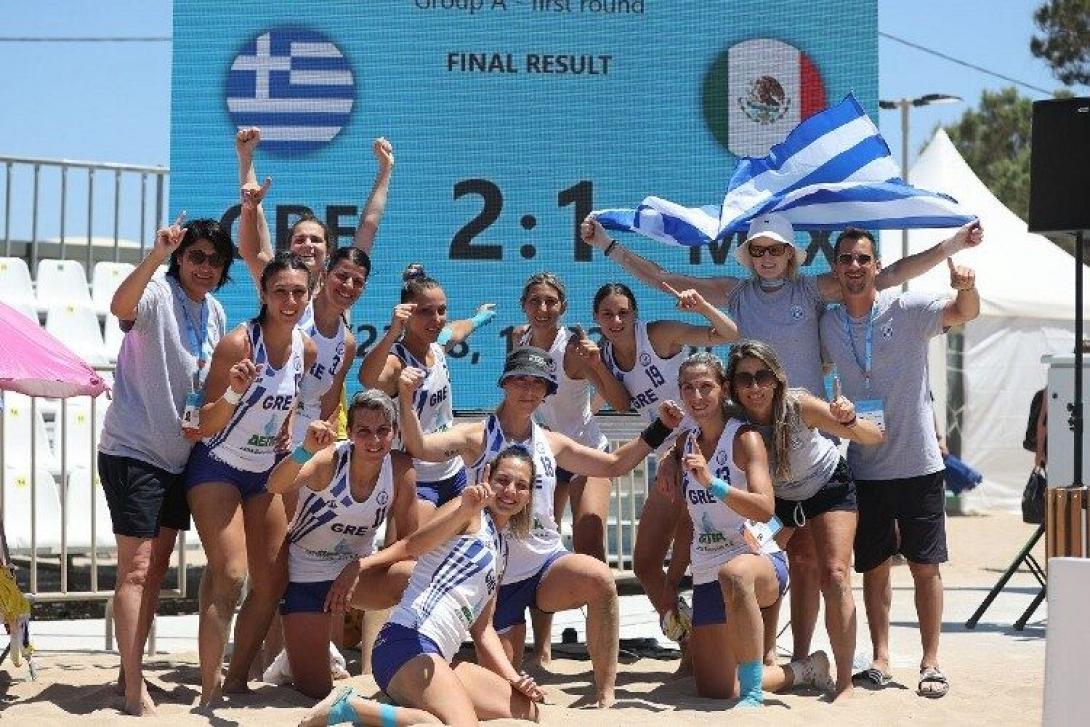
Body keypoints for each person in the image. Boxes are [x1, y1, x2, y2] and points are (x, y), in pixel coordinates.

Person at [582, 212, 982, 667]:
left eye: (775, 250)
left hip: (807, 445)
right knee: (757, 550)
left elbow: (889, 275)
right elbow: (664, 278)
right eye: (758, 250)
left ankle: (804, 653)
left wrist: (951, 246)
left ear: (790, 254)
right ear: (748, 256)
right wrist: (607, 246)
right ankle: (755, 649)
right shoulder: (735, 293)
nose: (767, 258)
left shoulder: (812, 290)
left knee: (816, 562)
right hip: (754, 449)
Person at [397, 346, 686, 708]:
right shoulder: (477, 437)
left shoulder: (551, 442)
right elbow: (419, 446)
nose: (528, 390)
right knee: (506, 697)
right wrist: (406, 400)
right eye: (520, 380)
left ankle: (605, 695)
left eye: (538, 383)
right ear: (504, 383)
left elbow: (613, 464)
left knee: (599, 578)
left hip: (544, 566)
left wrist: (660, 427)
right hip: (494, 582)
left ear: (548, 391)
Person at [819, 227, 980, 699]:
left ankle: (931, 662)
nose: (853, 266)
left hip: (919, 465)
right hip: (865, 468)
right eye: (845, 258)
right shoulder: (828, 323)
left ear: (876, 266)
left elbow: (964, 312)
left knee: (925, 568)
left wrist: (966, 287)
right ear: (835, 267)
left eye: (862, 259)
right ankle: (882, 658)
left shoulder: (907, 309)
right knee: (874, 567)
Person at [298, 446, 545, 727]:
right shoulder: (469, 512)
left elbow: (483, 629)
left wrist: (514, 679)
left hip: (438, 657)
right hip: (405, 644)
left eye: (521, 485)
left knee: (528, 711)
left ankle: (413, 707)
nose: (510, 490)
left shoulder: (501, 550)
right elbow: (411, 545)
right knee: (462, 725)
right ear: (487, 476)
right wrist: (360, 565)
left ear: (528, 498)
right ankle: (350, 708)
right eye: (503, 480)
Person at [97, 215, 232, 715]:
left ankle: (123, 674)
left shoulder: (215, 312)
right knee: (134, 571)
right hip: (133, 448)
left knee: (152, 575)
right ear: (180, 257)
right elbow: (119, 306)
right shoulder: (156, 292)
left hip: (180, 456)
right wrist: (154, 256)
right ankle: (135, 692)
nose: (205, 266)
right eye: (196, 256)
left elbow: (208, 386)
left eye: (215, 260)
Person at [184, 252, 317, 705]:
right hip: (217, 464)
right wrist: (236, 392)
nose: (290, 299)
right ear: (263, 293)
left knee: (272, 582)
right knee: (231, 575)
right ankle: (208, 691)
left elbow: (291, 399)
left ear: (309, 295)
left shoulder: (307, 348)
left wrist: (286, 434)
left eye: (299, 291)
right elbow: (200, 423)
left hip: (264, 472)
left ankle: (238, 677)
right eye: (280, 290)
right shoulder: (239, 344)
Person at [663, 353, 831, 705]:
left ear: (723, 389)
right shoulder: (685, 444)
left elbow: (765, 506)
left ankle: (754, 694)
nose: (697, 396)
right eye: (689, 388)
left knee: (735, 575)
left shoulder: (744, 438)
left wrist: (712, 482)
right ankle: (805, 670)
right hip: (708, 569)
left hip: (758, 560)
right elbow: (689, 523)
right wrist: (671, 582)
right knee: (715, 689)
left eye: (706, 387)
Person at [720, 340, 883, 699]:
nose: (755, 387)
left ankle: (844, 681)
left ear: (777, 379)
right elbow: (693, 429)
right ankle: (790, 659)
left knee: (835, 574)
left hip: (827, 487)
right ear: (733, 386)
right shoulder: (732, 416)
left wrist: (850, 419)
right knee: (779, 571)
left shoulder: (799, 405)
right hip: (779, 500)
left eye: (762, 376)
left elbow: (873, 436)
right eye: (745, 379)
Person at [235, 128, 391, 442]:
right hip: (270, 415)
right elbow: (256, 223)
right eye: (299, 239)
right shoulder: (280, 284)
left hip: (322, 418)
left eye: (316, 239)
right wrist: (246, 158)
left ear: (329, 252)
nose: (308, 244)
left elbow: (369, 226)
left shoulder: (339, 289)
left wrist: (385, 170)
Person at [511, 273, 632, 667]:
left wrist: (596, 365)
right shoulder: (519, 339)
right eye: (535, 301)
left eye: (550, 302)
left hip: (584, 453)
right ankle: (541, 650)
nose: (543, 309)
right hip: (543, 459)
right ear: (524, 306)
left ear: (563, 306)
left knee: (590, 541)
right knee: (536, 548)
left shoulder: (575, 349)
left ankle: (605, 650)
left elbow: (620, 400)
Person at [265, 392, 419, 698]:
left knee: (413, 575)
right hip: (306, 573)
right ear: (349, 434)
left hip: (356, 575)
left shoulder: (400, 468)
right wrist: (304, 451)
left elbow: (411, 544)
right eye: (364, 431)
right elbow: (274, 485)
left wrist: (359, 566)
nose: (374, 440)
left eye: (382, 431)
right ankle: (291, 658)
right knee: (315, 692)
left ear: (394, 433)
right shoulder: (329, 459)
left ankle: (404, 658)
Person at [359, 265, 495, 519]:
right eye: (426, 312)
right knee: (408, 552)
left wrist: (478, 318)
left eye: (441, 310)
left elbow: (457, 329)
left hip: (453, 472)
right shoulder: (396, 362)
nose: (437, 319)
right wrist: (391, 334)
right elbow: (367, 379)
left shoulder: (438, 346)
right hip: (417, 479)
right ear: (407, 314)